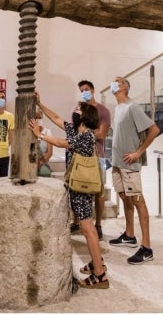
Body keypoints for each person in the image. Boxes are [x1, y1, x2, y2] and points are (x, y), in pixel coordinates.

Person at [31, 98, 109, 288]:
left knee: (87, 229)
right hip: (77, 185)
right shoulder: (78, 130)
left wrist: (39, 135)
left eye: (78, 110)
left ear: (84, 116)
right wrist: (40, 104)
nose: (75, 111)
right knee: (86, 228)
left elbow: (59, 142)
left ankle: (99, 275)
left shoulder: (86, 136)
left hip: (82, 188)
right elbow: (56, 118)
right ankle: (97, 263)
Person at [107, 76, 160, 265]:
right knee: (124, 197)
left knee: (139, 202)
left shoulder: (132, 107)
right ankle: (129, 235)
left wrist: (138, 152)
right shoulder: (118, 108)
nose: (113, 83)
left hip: (130, 165)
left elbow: (154, 130)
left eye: (117, 81)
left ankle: (147, 248)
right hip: (117, 163)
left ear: (124, 87)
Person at [70, 80, 111, 239]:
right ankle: (77, 221)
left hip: (98, 156)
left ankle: (98, 224)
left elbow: (102, 134)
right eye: (81, 90)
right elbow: (73, 130)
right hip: (79, 155)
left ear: (93, 90)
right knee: (77, 189)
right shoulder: (77, 109)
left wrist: (85, 132)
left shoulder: (103, 111)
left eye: (86, 89)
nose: (84, 92)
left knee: (99, 193)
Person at [34, 109, 53, 177]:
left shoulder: (47, 132)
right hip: (30, 162)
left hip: (43, 162)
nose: (38, 120)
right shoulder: (29, 132)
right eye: (36, 118)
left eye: (40, 118)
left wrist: (40, 162)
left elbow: (50, 152)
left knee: (44, 173)